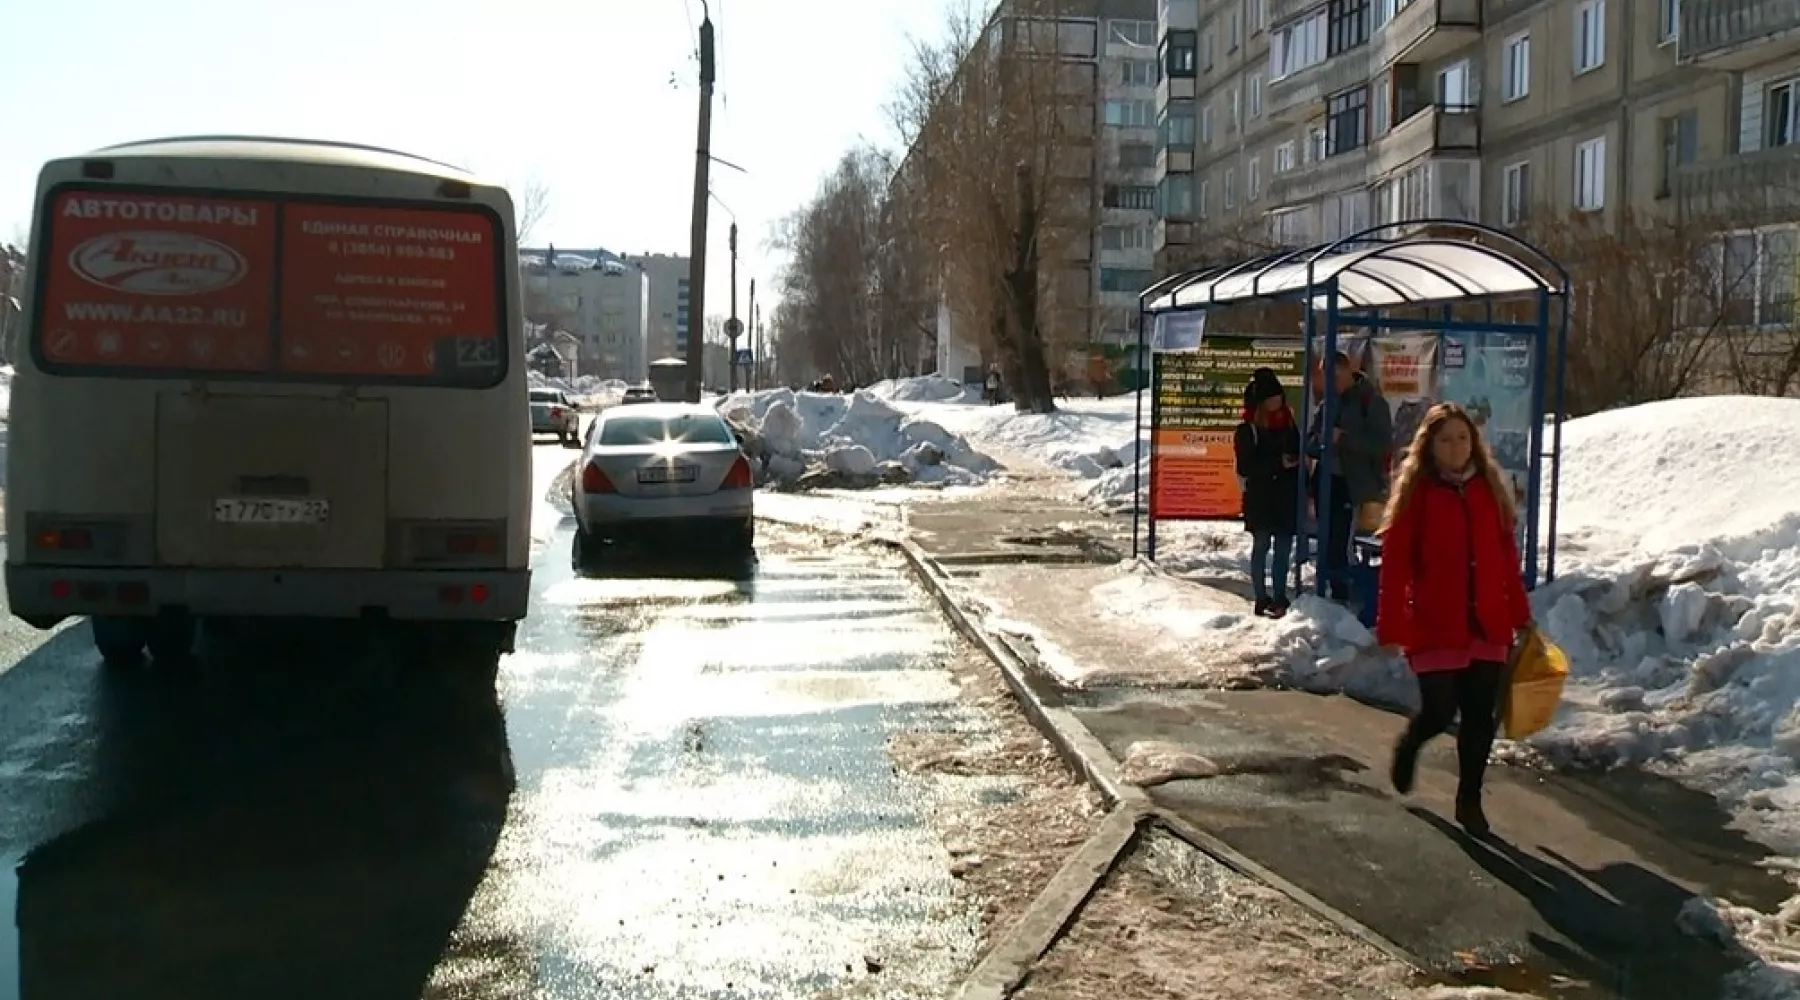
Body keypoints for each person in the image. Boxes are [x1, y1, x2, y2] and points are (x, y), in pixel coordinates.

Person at [1375, 402, 1533, 837]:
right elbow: (1396, 565)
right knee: (1440, 709)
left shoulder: (1488, 490)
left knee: (1481, 715)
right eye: (1446, 439)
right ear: (1429, 446)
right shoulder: (1418, 494)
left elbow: (1506, 561)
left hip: (1488, 620)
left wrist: (1520, 613)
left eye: (1463, 438)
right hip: (1437, 620)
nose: (1456, 447)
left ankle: (1470, 798)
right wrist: (1391, 625)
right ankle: (1411, 744)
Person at [1305, 350, 1392, 601]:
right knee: (1326, 537)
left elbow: (1382, 443)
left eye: (1334, 377)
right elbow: (1310, 439)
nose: (1330, 385)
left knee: (1341, 541)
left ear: (1347, 371)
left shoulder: (1371, 401)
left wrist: (1344, 439)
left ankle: (1341, 593)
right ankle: (1329, 590)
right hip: (1325, 479)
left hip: (1352, 483)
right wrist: (1318, 442)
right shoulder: (1328, 403)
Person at [1233, 368, 1300, 618]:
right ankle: (1261, 597)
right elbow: (1245, 466)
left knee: (1284, 547)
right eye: (1272, 398)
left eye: (1279, 396)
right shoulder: (1247, 429)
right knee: (1261, 545)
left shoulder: (1288, 423)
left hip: (1285, 494)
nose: (1277, 402)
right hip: (1261, 496)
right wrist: (1277, 463)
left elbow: (1298, 447)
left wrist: (1293, 462)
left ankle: (1280, 596)